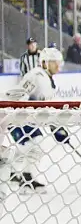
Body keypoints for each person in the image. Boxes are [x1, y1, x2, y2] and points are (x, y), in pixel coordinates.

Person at [2, 47, 68, 189]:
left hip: (26, 118)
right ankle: (23, 175)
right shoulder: (36, 75)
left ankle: (17, 173)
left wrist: (55, 126)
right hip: (16, 116)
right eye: (53, 62)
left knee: (31, 145)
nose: (58, 65)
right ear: (44, 62)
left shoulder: (48, 80)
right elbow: (20, 95)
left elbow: (46, 107)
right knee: (35, 143)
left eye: (58, 62)